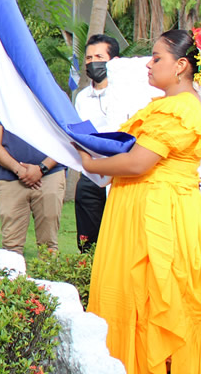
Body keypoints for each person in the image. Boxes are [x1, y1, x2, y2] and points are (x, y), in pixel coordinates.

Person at [76, 28, 201, 374]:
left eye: (156, 58)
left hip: (162, 221)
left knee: (156, 302)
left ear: (181, 65)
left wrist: (89, 164)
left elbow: (138, 162)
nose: (148, 65)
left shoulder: (180, 108)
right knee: (138, 301)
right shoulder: (168, 105)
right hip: (146, 214)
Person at [0, 112, 66, 255]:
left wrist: (42, 168)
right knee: (11, 246)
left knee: (49, 245)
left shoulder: (52, 94)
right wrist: (19, 170)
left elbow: (65, 138)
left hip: (50, 175)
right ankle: (12, 277)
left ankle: (49, 276)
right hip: (10, 177)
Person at [73, 34, 122, 251]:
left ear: (114, 61)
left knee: (117, 239)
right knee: (88, 239)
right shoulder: (82, 97)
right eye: (89, 58)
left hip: (119, 174)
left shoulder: (123, 94)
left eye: (99, 57)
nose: (93, 62)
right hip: (89, 175)